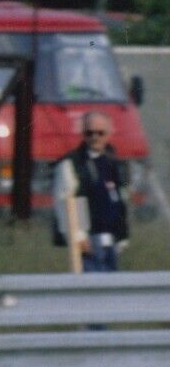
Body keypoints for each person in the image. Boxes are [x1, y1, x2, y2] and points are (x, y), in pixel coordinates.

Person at [52, 111, 130, 273]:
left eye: (100, 133)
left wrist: (122, 237)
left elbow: (120, 199)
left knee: (112, 293)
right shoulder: (71, 163)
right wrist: (78, 236)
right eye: (89, 132)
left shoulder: (115, 164)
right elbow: (65, 201)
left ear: (108, 133)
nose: (95, 137)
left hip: (112, 243)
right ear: (83, 134)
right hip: (88, 243)